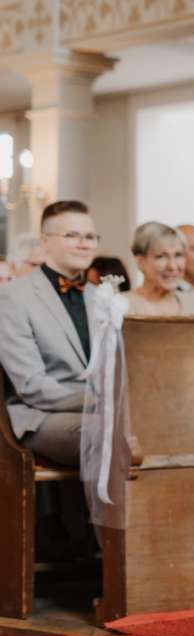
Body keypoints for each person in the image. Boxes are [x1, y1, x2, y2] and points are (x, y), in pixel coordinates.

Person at [0, 201, 100, 558]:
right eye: (72, 235)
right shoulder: (13, 297)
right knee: (108, 434)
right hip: (39, 416)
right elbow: (30, 385)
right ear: (45, 242)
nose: (84, 243)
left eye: (90, 236)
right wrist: (97, 401)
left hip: (96, 408)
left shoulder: (101, 297)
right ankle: (110, 552)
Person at [123, 222, 194, 316]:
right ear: (140, 261)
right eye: (161, 256)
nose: (172, 266)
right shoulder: (121, 305)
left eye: (178, 255)